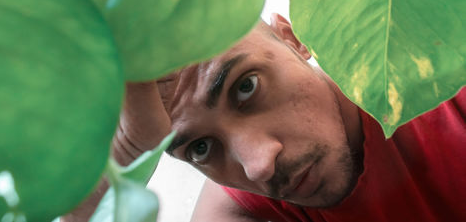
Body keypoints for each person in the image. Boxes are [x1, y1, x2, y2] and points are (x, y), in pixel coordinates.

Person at [64, 13, 466, 222]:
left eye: (246, 87)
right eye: (201, 148)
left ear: (293, 39)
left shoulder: (449, 86)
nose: (259, 165)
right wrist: (119, 161)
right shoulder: (245, 211)